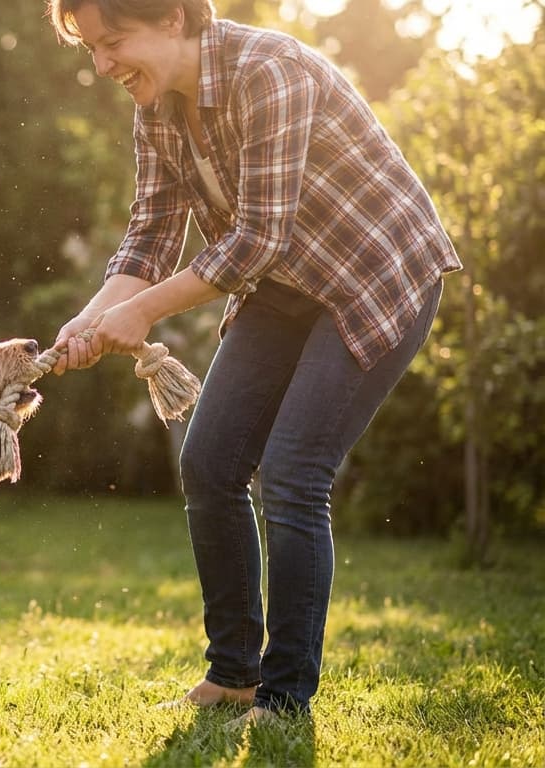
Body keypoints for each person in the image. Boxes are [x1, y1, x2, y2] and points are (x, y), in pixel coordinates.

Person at [44, 0, 461, 724]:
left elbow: (256, 240)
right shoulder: (158, 104)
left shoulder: (270, 72)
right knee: (209, 463)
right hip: (285, 287)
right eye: (91, 50)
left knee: (295, 471)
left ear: (172, 18)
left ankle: (285, 693)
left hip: (373, 274)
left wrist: (139, 314)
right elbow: (150, 234)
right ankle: (233, 674)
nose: (103, 66)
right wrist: (90, 318)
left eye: (113, 42)